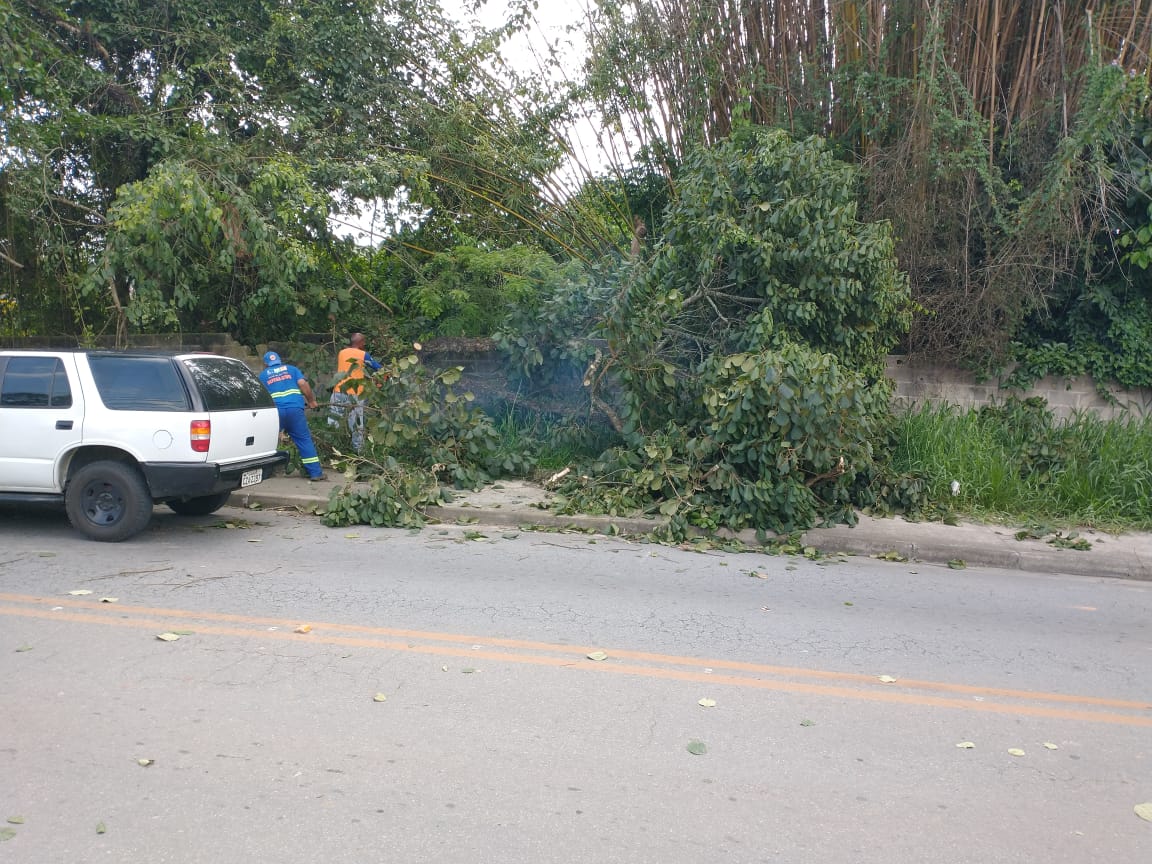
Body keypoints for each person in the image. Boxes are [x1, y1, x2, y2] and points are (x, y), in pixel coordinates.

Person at [259, 351, 326, 481]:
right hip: (295, 409)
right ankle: (315, 473)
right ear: (279, 361)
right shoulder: (292, 369)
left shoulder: (263, 375)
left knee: (267, 441)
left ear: (266, 364)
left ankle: (263, 472)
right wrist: (311, 401)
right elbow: (302, 384)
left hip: (276, 412)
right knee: (304, 440)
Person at [328, 332, 383, 452]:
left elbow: (351, 369)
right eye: (364, 342)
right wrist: (386, 376)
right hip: (355, 393)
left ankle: (330, 446)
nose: (365, 344)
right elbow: (378, 368)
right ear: (361, 342)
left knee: (333, 419)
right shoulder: (363, 355)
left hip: (338, 391)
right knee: (356, 424)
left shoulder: (342, 353)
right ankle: (358, 451)